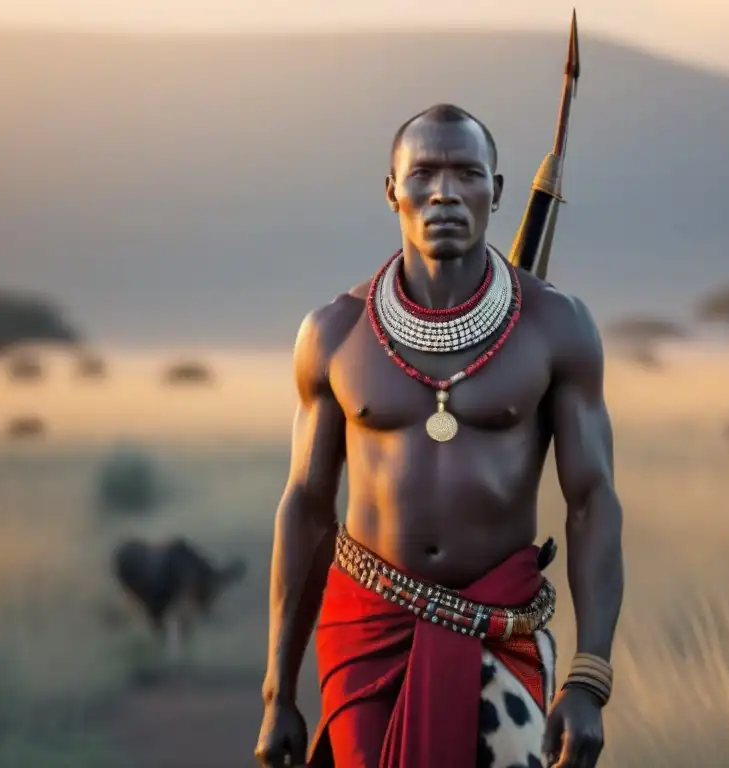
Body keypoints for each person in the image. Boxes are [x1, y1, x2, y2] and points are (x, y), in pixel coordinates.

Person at [254, 103, 624, 768]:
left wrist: (590, 676)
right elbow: (308, 506)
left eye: (467, 174)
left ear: (499, 192)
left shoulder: (556, 326)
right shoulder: (334, 334)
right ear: (391, 189)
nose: (445, 192)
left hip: (498, 629)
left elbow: (592, 499)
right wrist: (279, 690)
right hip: (368, 632)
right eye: (423, 173)